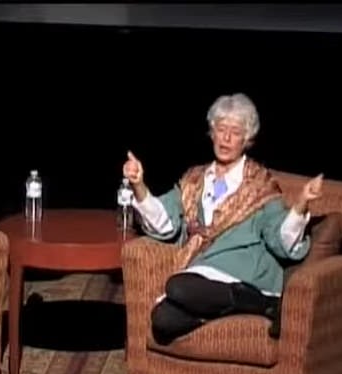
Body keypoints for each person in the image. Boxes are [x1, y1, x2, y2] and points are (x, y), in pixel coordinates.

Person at [123, 93, 323, 345]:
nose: (226, 138)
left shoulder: (259, 185)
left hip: (245, 274)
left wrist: (302, 202)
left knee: (177, 287)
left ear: (247, 139)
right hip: (201, 272)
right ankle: (244, 308)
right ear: (212, 133)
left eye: (235, 131)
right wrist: (139, 185)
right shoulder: (194, 180)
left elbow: (281, 240)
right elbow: (165, 224)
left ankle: (264, 300)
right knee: (163, 320)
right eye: (221, 129)